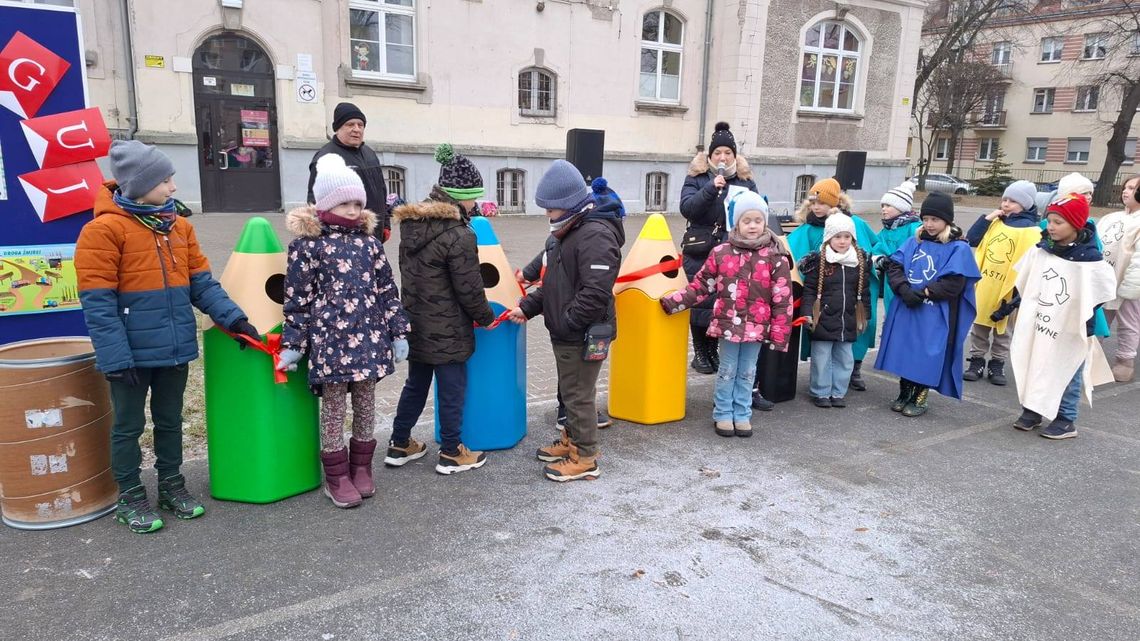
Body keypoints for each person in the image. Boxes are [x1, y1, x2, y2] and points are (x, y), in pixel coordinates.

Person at [76, 140, 258, 533]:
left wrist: (235, 320)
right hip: (130, 354)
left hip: (174, 347)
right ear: (141, 184)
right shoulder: (102, 231)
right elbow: (98, 303)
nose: (173, 187)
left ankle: (172, 485)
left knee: (170, 420)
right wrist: (115, 358)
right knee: (128, 426)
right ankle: (129, 495)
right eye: (166, 180)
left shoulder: (180, 227)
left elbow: (202, 285)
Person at [277, 154, 410, 508]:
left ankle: (361, 467)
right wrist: (293, 344)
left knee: (366, 404)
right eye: (344, 203)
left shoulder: (369, 244)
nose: (352, 210)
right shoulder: (307, 247)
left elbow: (386, 290)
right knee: (334, 409)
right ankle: (335, 476)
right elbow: (297, 300)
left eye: (357, 203)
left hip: (368, 340)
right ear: (325, 204)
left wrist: (398, 331)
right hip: (331, 343)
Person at [384, 144, 497, 475]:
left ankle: (399, 443)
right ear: (459, 196)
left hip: (416, 323)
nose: (475, 204)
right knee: (451, 389)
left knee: (416, 385)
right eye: (473, 197)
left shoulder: (412, 225)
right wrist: (486, 317)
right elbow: (469, 288)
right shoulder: (460, 235)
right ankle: (451, 452)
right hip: (448, 329)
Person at [508, 160, 624, 482]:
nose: (547, 214)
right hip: (569, 332)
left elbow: (595, 292)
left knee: (578, 394)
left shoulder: (595, 236)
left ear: (569, 205)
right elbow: (553, 284)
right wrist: (528, 307)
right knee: (571, 390)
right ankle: (571, 440)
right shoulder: (566, 232)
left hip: (583, 333)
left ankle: (586, 457)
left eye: (551, 208)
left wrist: (568, 321)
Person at [660, 191, 793, 436]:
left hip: (756, 327)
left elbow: (783, 299)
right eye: (746, 220)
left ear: (764, 222)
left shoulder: (776, 257)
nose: (752, 226)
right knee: (728, 369)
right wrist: (673, 303)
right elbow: (701, 285)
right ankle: (722, 413)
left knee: (748, 371)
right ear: (736, 223)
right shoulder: (722, 252)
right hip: (728, 324)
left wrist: (779, 332)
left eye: (757, 220)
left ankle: (742, 413)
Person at [1001, 194, 1117, 439]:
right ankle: (1032, 410)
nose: (1050, 227)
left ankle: (1066, 419)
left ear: (1075, 224)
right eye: (1049, 220)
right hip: (1040, 318)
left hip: (1070, 326)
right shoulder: (1042, 250)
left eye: (1058, 222)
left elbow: (1101, 290)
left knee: (1066, 370)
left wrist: (1077, 311)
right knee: (1036, 362)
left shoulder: (1089, 259)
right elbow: (1026, 279)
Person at [874, 192, 980, 417]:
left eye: (935, 220)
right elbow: (895, 266)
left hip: (934, 312)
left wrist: (923, 293)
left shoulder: (957, 247)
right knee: (905, 350)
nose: (929, 224)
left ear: (947, 221)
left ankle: (919, 396)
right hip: (908, 307)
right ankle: (904, 392)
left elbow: (954, 282)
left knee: (926, 354)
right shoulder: (915, 241)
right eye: (926, 219)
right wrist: (903, 289)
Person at [680, 122, 762, 376]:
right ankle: (701, 352)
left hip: (734, 251)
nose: (723, 157)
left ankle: (713, 349)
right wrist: (709, 189)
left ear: (734, 156)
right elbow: (687, 208)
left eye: (728, 153)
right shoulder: (697, 178)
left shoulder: (745, 181)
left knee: (722, 301)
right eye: (718, 153)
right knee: (701, 300)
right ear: (710, 156)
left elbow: (758, 211)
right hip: (701, 250)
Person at [786, 177, 879, 391]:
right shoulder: (808, 228)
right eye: (813, 203)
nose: (817, 207)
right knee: (822, 341)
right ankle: (822, 383)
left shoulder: (854, 224)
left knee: (853, 333)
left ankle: (852, 370)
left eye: (822, 203)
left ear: (835, 203)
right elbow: (793, 255)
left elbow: (871, 249)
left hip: (850, 289)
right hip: (823, 293)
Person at [963, 180, 1041, 386]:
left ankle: (997, 363)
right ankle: (977, 360)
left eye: (1013, 201)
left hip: (1010, 288)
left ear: (1026, 204)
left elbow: (1031, 262)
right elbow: (972, 239)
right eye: (1004, 199)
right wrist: (987, 219)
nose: (1006, 204)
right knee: (979, 325)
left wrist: (1017, 295)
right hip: (986, 283)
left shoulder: (1031, 231)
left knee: (1003, 329)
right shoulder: (996, 223)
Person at [796, 214, 872, 408]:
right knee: (821, 358)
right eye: (838, 237)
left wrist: (866, 315)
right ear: (829, 237)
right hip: (823, 318)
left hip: (848, 319)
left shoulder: (858, 262)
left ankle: (838, 392)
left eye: (847, 237)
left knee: (845, 359)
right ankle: (820, 391)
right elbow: (810, 290)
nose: (842, 241)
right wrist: (807, 312)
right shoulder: (819, 261)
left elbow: (864, 292)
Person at [306, 102, 391, 242]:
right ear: (338, 128)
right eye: (350, 125)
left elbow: (382, 192)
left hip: (374, 233)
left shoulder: (369, 153)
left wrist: (385, 224)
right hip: (345, 238)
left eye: (360, 125)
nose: (356, 129)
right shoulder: (326, 158)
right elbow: (316, 202)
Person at [1096, 174, 1140, 381]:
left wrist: (1132, 286)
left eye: (1132, 188)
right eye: (1126, 187)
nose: (1126, 191)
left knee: (1128, 323)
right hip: (1104, 281)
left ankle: (1125, 361)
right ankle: (1092, 357)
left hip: (1129, 284)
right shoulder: (1111, 218)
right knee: (1098, 319)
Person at [871, 179, 922, 317]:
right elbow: (874, 251)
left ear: (901, 207)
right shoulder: (885, 232)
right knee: (891, 314)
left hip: (910, 280)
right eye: (883, 205)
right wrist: (880, 260)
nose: (883, 209)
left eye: (888, 205)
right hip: (891, 282)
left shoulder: (915, 228)